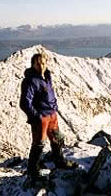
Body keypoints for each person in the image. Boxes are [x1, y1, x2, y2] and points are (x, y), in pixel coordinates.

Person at [19, 53, 77, 183]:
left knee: (57, 138)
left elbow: (50, 94)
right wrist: (37, 116)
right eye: (38, 63)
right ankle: (33, 171)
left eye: (43, 63)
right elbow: (24, 103)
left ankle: (59, 161)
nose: (41, 66)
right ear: (33, 65)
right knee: (39, 143)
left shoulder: (46, 77)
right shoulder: (31, 80)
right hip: (42, 117)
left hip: (52, 115)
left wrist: (54, 107)